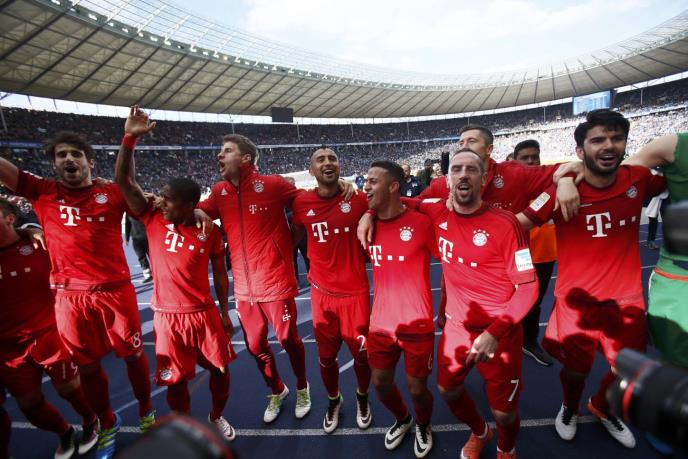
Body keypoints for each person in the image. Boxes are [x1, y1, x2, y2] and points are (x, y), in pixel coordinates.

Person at [0, 132, 154, 459]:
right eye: (61, 155)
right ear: (54, 164)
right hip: (69, 297)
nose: (69, 159)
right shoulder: (41, 191)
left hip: (115, 292)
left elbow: (143, 199)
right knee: (87, 367)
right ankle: (107, 422)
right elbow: (6, 171)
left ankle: (146, 411)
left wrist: (129, 139)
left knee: (133, 356)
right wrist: (29, 228)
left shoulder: (112, 192)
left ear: (90, 161)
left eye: (76, 154)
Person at [517, 109, 665, 449]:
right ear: (580, 150)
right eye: (598, 140)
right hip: (576, 303)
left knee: (629, 370)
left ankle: (602, 406)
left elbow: (676, 169)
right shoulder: (558, 191)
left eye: (616, 138)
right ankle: (569, 407)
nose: (608, 145)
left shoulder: (639, 178)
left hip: (625, 300)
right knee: (575, 371)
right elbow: (517, 224)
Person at [405, 149, 538, 459]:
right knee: (448, 390)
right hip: (456, 329)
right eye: (457, 169)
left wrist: (494, 332)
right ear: (448, 179)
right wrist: (366, 214)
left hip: (499, 333)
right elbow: (400, 201)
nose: (463, 174)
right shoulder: (437, 211)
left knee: (504, 412)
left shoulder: (506, 224)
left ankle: (506, 449)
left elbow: (528, 287)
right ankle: (480, 432)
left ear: (484, 178)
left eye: (471, 169)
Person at [115, 106, 236, 439]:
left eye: (169, 200)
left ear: (189, 205)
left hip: (203, 314)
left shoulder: (209, 231)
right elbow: (124, 182)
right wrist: (129, 138)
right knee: (175, 381)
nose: (161, 202)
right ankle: (184, 429)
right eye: (163, 197)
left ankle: (215, 416)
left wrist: (225, 312)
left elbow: (220, 273)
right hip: (167, 317)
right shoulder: (152, 217)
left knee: (221, 371)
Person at [196, 134, 311, 423]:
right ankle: (277, 389)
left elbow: (306, 202)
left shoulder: (272, 184)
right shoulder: (220, 191)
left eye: (227, 151)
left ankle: (302, 386)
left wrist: (292, 238)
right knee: (256, 346)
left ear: (246, 158)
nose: (220, 155)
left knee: (288, 339)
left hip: (275, 281)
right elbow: (196, 210)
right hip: (245, 288)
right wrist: (196, 210)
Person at [0, 197, 100, 459]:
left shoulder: (39, 243)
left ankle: (91, 420)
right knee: (29, 404)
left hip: (49, 333)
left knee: (69, 389)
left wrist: (34, 229)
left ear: (10, 218)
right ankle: (64, 432)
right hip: (8, 347)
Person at [291, 148, 372, 433]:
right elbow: (293, 236)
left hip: (355, 294)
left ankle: (362, 397)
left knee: (362, 356)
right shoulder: (301, 202)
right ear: (310, 170)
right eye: (320, 159)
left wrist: (369, 212)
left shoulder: (358, 199)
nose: (328, 162)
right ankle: (334, 400)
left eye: (333, 158)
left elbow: (387, 205)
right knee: (326, 358)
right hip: (321, 294)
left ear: (340, 166)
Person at [363, 161, 436, 458]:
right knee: (380, 383)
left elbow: (451, 262)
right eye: (365, 181)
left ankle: (423, 424)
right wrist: (367, 214)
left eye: (373, 181)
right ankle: (404, 419)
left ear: (394, 186)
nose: (365, 186)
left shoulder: (422, 223)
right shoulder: (366, 223)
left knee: (418, 388)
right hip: (381, 323)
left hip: (417, 323)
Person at [513, 139, 555, 366]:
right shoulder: (510, 186)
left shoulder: (551, 183)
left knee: (535, 302)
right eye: (524, 158)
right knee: (510, 302)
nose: (531, 161)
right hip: (517, 257)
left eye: (534, 157)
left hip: (545, 254)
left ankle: (529, 342)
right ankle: (506, 341)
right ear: (514, 161)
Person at [125, 215, 152, 282]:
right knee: (141, 257)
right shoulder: (128, 213)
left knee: (152, 256)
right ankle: (147, 275)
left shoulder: (143, 210)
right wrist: (127, 238)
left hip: (148, 237)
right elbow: (127, 224)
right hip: (136, 239)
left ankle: (157, 273)